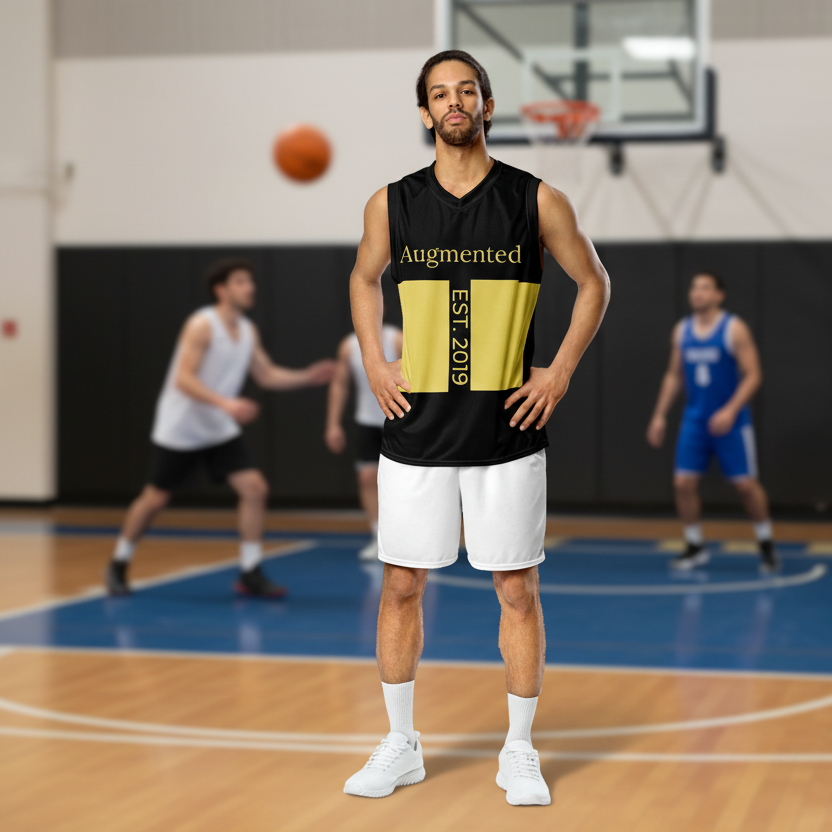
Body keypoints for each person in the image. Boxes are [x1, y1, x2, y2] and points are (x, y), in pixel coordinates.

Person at [343, 51, 609, 805]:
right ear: (425, 114)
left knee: (516, 589)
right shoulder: (389, 204)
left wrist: (557, 371)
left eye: (467, 91)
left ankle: (518, 751)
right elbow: (364, 278)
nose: (454, 103)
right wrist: (373, 356)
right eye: (439, 94)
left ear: (487, 106)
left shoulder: (535, 200)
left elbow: (594, 282)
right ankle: (401, 744)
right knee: (401, 586)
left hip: (505, 429)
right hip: (416, 426)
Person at [105, 259, 335, 598]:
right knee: (155, 499)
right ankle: (118, 562)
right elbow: (183, 378)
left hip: (217, 426)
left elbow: (266, 374)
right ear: (221, 290)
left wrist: (306, 376)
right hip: (181, 427)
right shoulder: (201, 325)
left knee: (254, 488)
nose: (250, 287)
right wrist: (227, 404)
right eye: (241, 281)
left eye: (251, 281)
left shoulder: (247, 331)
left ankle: (250, 570)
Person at [647, 271, 779, 573]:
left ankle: (766, 542)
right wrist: (659, 415)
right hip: (695, 419)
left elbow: (754, 374)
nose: (697, 293)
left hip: (731, 421)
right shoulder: (682, 331)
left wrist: (731, 410)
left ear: (719, 295)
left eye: (705, 288)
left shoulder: (734, 328)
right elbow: (673, 375)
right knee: (683, 483)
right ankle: (694, 546)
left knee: (746, 486)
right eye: (694, 287)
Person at [325, 324, 403, 560]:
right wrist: (333, 423)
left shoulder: (396, 339)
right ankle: (377, 537)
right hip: (366, 421)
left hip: (398, 417)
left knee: (404, 480)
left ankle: (409, 537)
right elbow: (340, 383)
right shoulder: (348, 345)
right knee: (367, 477)